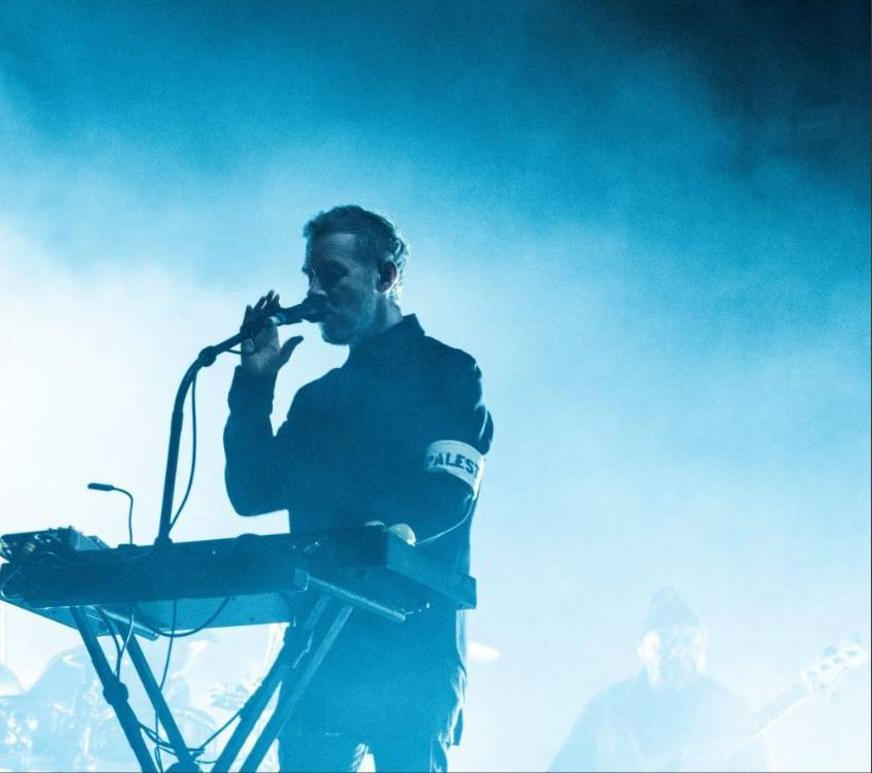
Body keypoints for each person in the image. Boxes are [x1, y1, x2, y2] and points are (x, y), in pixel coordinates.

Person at [224, 205, 494, 772]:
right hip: (321, 649)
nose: (315, 291)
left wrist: (388, 537)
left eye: (330, 273)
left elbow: (450, 488)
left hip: (412, 648)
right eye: (308, 276)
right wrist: (253, 385)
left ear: (385, 276)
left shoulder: (448, 372)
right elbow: (251, 492)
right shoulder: (317, 400)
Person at [549, 588, 772, 772]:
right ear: (641, 649)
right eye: (665, 641)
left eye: (688, 641)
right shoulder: (606, 709)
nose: (677, 652)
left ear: (704, 649)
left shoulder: (728, 709)